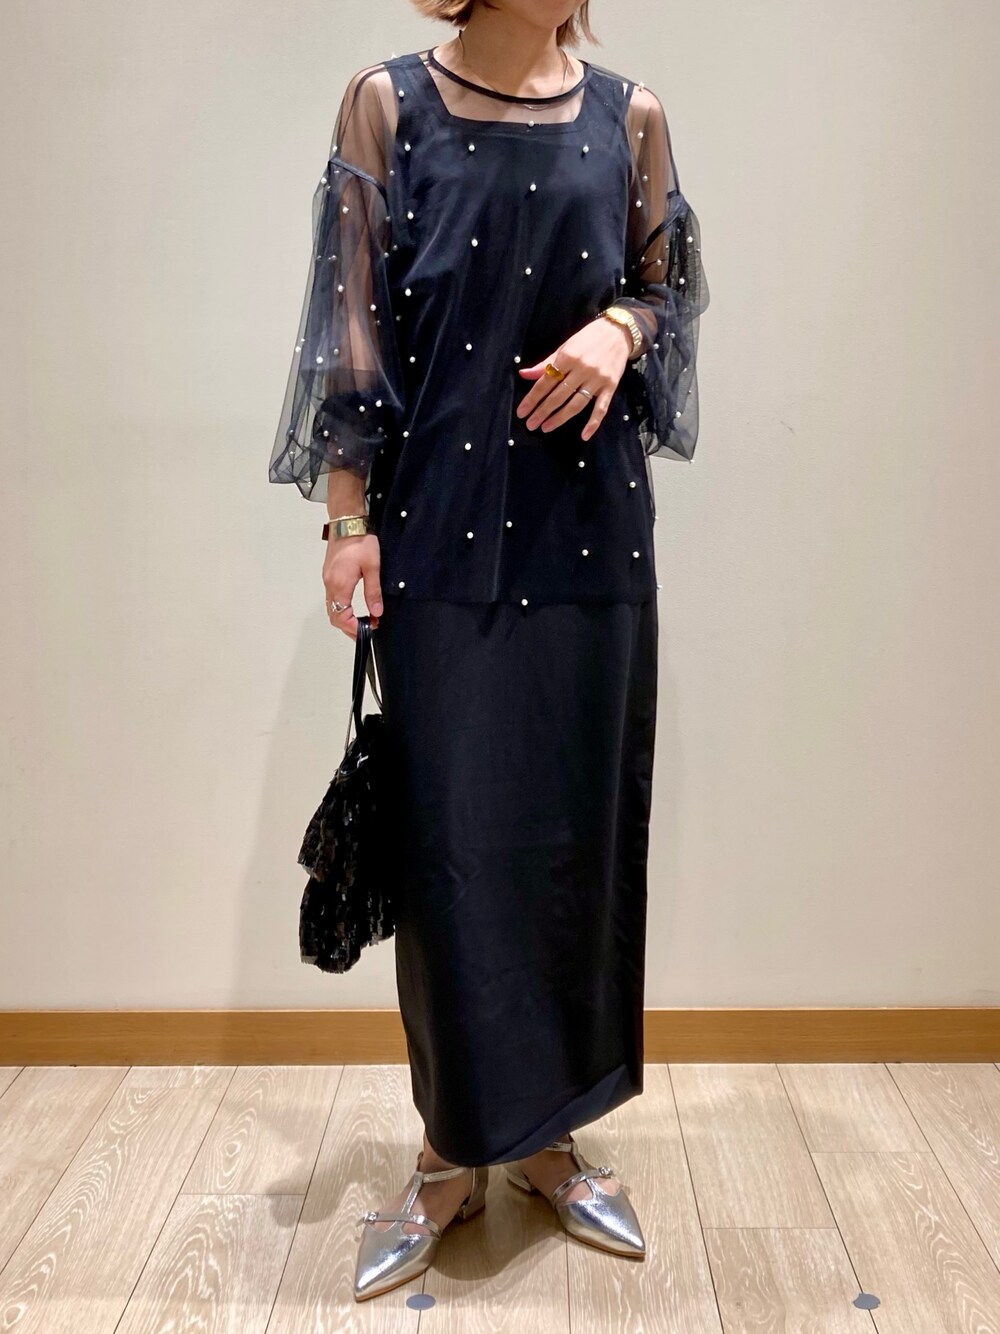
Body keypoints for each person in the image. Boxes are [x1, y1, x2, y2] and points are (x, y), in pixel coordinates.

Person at [269, 0, 709, 1303]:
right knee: (455, 847)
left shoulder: (631, 118)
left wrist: (623, 328)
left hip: (590, 538)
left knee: (576, 836)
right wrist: (347, 519)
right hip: (439, 533)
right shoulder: (388, 105)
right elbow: (350, 323)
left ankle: (553, 1140)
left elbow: (667, 287)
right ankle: (453, 1148)